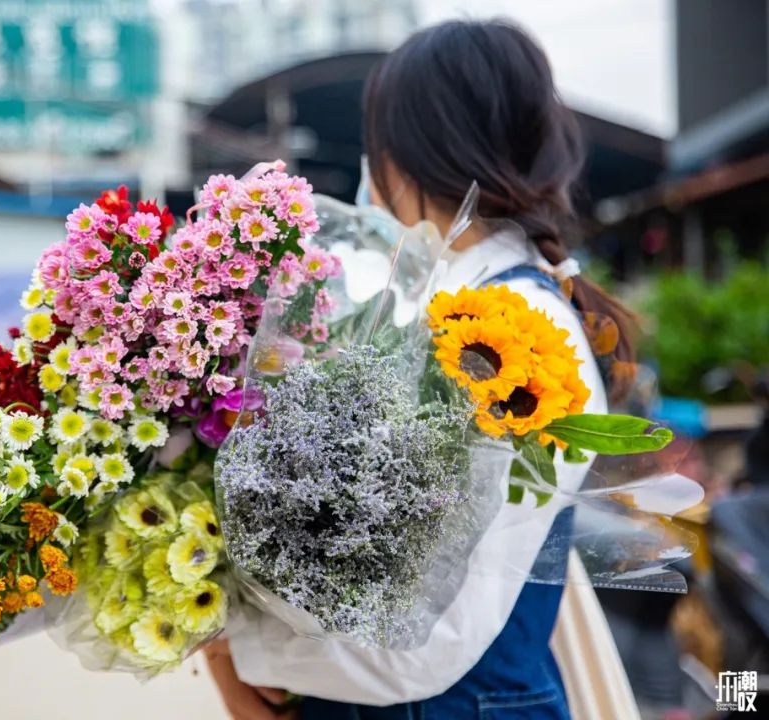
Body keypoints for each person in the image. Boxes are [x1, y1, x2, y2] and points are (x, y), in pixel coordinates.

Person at [205, 18, 639, 720]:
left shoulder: (517, 338)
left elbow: (430, 637)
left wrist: (239, 649)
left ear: (403, 156)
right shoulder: (456, 306)